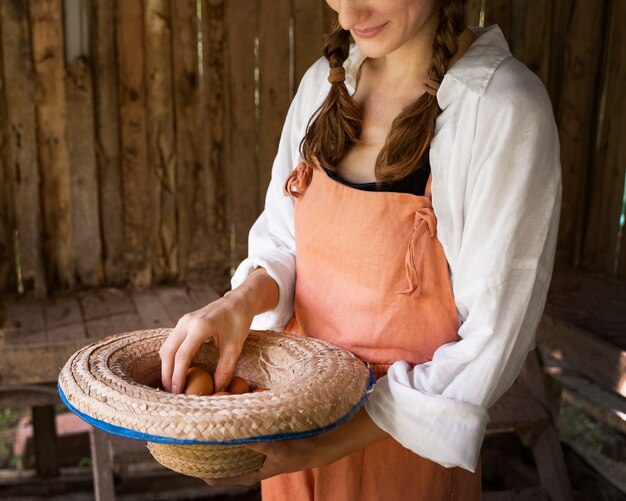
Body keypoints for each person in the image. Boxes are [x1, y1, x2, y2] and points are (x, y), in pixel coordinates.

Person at [159, 0, 561, 499]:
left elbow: (489, 343)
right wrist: (237, 303)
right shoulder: (324, 84)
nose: (348, 14)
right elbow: (286, 241)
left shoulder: (499, 109)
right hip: (290, 432)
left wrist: (322, 447)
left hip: (404, 460)